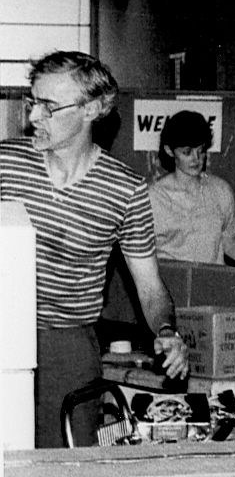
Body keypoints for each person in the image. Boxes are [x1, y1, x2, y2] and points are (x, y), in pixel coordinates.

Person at [0, 50, 186, 447]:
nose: (33, 117)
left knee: (65, 467)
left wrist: (167, 331)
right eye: (33, 103)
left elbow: (150, 289)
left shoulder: (125, 189)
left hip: (68, 346)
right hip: (5, 332)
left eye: (49, 107)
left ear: (92, 109)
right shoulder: (6, 164)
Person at [148, 109, 235, 269]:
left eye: (201, 150)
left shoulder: (220, 190)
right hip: (172, 285)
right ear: (170, 151)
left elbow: (228, 242)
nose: (196, 159)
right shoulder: (154, 197)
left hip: (213, 285)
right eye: (187, 152)